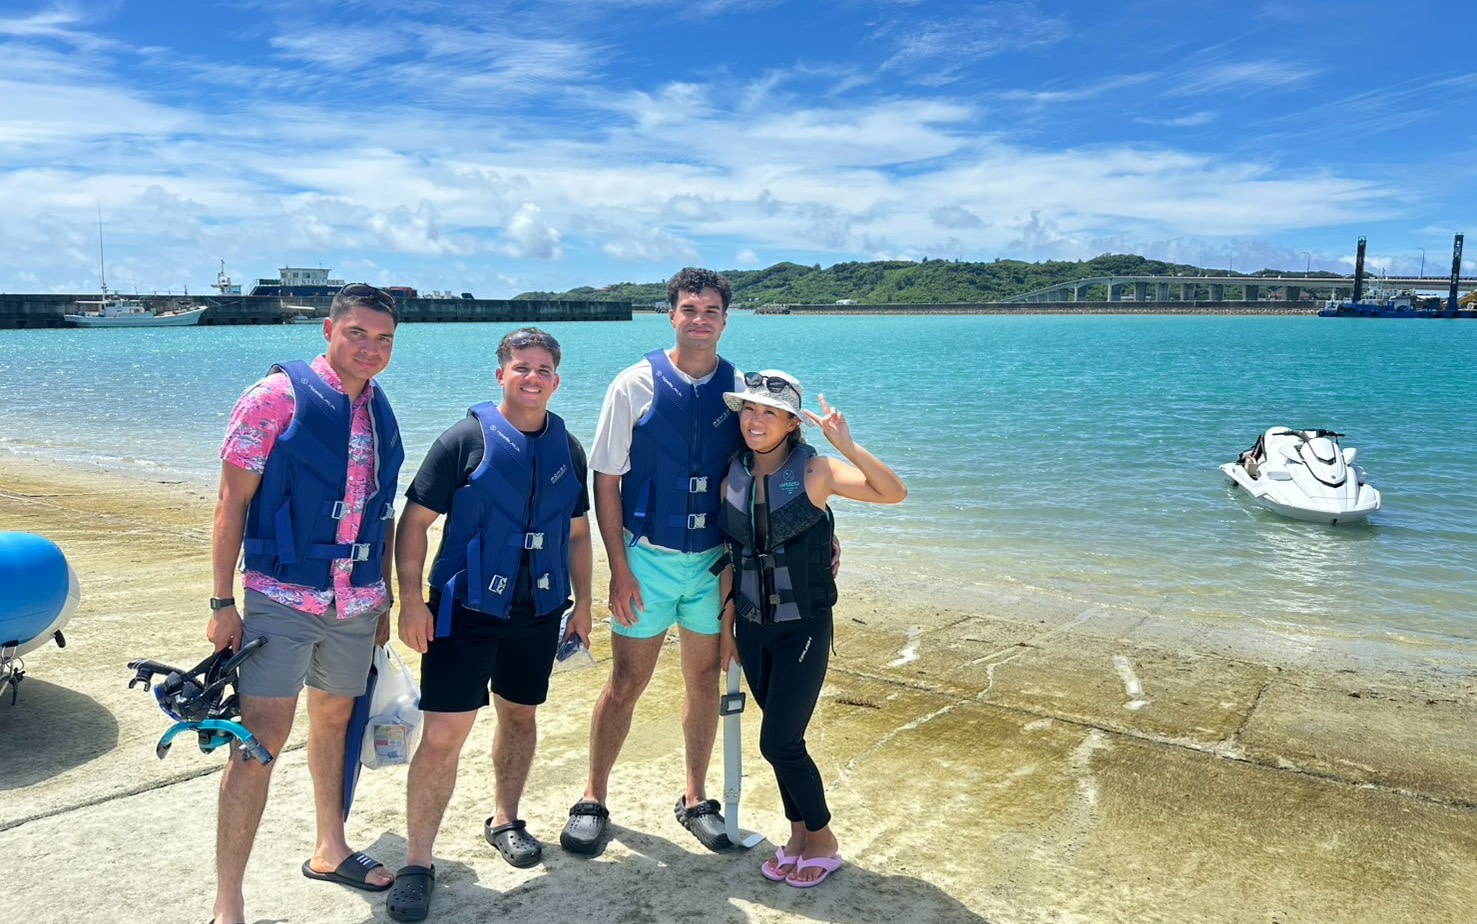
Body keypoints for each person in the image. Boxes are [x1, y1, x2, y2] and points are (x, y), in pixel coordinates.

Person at [207, 283, 403, 924]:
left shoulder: (379, 409)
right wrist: (221, 601)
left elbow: (381, 512)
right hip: (281, 595)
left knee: (335, 721)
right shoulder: (273, 398)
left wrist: (385, 598)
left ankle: (330, 848)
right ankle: (229, 903)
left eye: (384, 339)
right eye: (358, 333)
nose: (371, 349)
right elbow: (231, 503)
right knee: (258, 742)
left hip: (357, 600)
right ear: (328, 330)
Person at [387, 328, 592, 922]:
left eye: (544, 369)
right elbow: (415, 523)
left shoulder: (568, 448)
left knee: (520, 715)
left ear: (557, 380)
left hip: (539, 609)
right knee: (445, 734)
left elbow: (579, 535)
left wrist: (584, 605)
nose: (533, 377)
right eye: (521, 367)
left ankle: (505, 820)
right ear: (501, 374)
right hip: (466, 608)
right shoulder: (464, 440)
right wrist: (411, 600)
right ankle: (418, 863)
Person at [559, 267, 747, 855]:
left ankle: (695, 797)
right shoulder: (634, 384)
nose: (700, 320)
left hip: (712, 563)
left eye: (711, 311)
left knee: (703, 681)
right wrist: (619, 569)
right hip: (647, 561)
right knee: (627, 681)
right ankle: (593, 796)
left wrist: (823, 527)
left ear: (725, 320)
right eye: (689, 309)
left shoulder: (740, 388)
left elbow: (776, 457)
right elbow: (606, 479)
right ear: (671, 315)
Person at [716, 370, 906, 889]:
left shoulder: (816, 471)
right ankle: (798, 836)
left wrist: (847, 445)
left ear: (792, 423)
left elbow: (894, 493)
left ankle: (823, 840)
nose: (756, 421)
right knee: (785, 742)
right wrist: (728, 627)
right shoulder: (731, 473)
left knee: (779, 742)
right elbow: (732, 557)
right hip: (752, 627)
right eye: (749, 409)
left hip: (803, 628)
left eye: (770, 412)